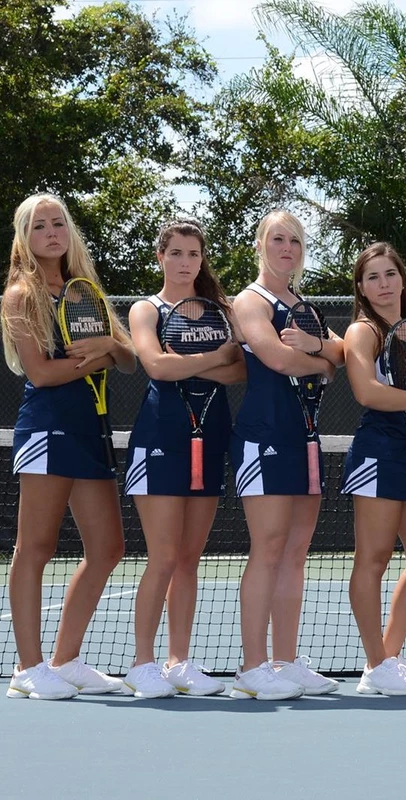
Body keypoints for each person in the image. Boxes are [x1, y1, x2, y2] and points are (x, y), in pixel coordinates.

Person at [4, 193, 136, 700]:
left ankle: (66, 660)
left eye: (58, 223)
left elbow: (129, 359)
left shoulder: (86, 291)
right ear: (25, 237)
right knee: (34, 547)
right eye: (40, 226)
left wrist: (111, 347)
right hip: (47, 429)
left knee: (108, 548)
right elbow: (41, 373)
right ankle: (27, 668)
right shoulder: (21, 295)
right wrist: (103, 356)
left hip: (90, 431)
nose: (52, 233)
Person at [124, 217, 246, 698]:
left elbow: (240, 372)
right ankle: (142, 664)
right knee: (164, 557)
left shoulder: (221, 311)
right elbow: (156, 365)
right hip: (160, 440)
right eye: (175, 252)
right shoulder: (146, 309)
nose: (185, 262)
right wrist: (217, 357)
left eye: (193, 254)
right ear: (160, 256)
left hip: (210, 439)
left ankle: (178, 662)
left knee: (189, 559)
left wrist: (194, 363)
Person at [228, 210, 346, 700]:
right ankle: (251, 668)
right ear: (260, 245)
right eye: (278, 239)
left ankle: (285, 661)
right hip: (264, 438)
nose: (287, 248)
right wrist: (321, 361)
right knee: (269, 548)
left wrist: (318, 349)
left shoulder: (305, 308)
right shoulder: (249, 300)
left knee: (295, 553)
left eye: (295, 241)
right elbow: (275, 358)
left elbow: (344, 354)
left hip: (305, 440)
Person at [340, 242, 406, 695]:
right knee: (374, 558)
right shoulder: (362, 332)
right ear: (361, 289)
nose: (383, 285)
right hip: (378, 452)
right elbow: (366, 391)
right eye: (372, 278)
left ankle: (387, 658)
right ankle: (376, 662)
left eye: (389, 274)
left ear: (402, 279)